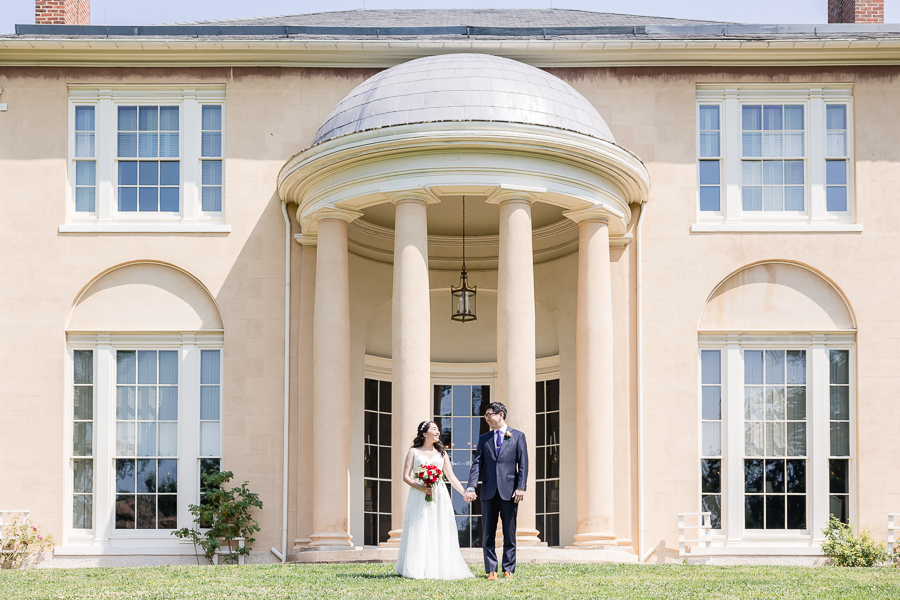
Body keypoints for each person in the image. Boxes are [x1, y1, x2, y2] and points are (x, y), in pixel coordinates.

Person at [395, 420, 474, 580]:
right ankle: (418, 568)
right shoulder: (413, 452)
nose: (438, 432)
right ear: (425, 434)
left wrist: (464, 492)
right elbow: (406, 476)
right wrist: (422, 488)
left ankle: (439, 566)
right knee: (420, 527)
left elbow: (451, 477)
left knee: (439, 526)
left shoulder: (442, 453)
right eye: (434, 429)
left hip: (439, 495)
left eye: (438, 429)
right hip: (419, 495)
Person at [464, 402, 528, 580]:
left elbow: (523, 464)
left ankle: (508, 569)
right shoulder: (484, 439)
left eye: (489, 415)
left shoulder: (518, 436)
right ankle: (491, 570)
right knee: (487, 533)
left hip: (510, 492)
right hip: (488, 492)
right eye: (486, 416)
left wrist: (520, 486)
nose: (487, 419)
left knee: (509, 533)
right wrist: (471, 486)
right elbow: (477, 463)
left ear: (500, 415)